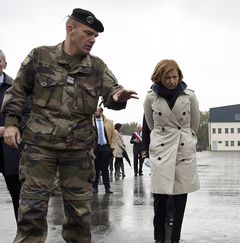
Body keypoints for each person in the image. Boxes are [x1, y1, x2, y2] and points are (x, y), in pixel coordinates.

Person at [1, 8, 137, 242]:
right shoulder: (40, 56)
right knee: (31, 212)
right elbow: (18, 90)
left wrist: (117, 97)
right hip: (39, 149)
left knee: (79, 217)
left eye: (95, 36)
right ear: (70, 29)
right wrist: (11, 123)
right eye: (88, 33)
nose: (93, 39)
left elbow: (112, 90)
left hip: (78, 151)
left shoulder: (97, 67)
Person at [144, 59, 200, 243]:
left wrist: (187, 139)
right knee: (159, 201)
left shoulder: (189, 96)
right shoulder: (151, 97)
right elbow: (151, 126)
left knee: (179, 201)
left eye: (175, 77)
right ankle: (159, 239)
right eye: (167, 77)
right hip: (162, 149)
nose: (172, 81)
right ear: (159, 77)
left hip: (183, 151)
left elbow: (194, 124)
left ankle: (174, 239)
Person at [0, 49, 31, 222]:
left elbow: (27, 113)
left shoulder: (15, 87)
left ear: (4, 64)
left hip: (11, 149)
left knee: (18, 195)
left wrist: (8, 128)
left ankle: (24, 233)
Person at [93, 106, 115, 194]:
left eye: (96, 111)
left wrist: (111, 148)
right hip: (95, 148)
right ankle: (95, 187)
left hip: (106, 148)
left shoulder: (109, 122)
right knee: (95, 169)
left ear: (101, 111)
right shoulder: (91, 122)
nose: (94, 112)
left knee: (105, 169)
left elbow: (113, 136)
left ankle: (107, 188)